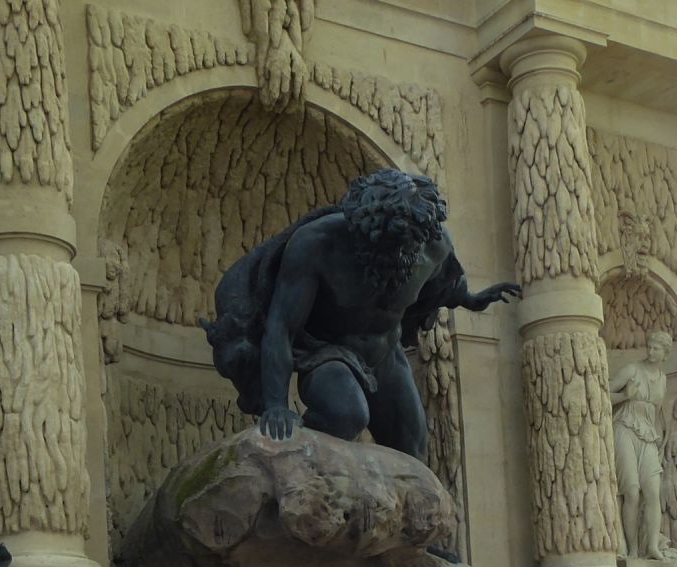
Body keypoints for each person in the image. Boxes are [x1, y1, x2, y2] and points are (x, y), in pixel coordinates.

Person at [203, 169, 520, 459]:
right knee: (347, 414)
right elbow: (281, 327)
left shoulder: (431, 244)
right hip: (326, 353)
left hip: (385, 354)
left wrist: (471, 299)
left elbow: (446, 282)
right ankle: (305, 464)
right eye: (392, 242)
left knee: (414, 448)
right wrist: (276, 405)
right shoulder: (318, 244)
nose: (403, 253)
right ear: (365, 229)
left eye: (409, 244)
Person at [610, 330, 677, 560]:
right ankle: (632, 550)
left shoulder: (663, 379)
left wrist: (663, 436)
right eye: (649, 346)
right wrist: (624, 396)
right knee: (631, 491)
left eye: (656, 348)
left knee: (652, 492)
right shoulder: (632, 370)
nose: (651, 351)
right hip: (625, 428)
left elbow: (658, 412)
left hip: (649, 435)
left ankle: (651, 546)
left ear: (665, 354)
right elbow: (601, 393)